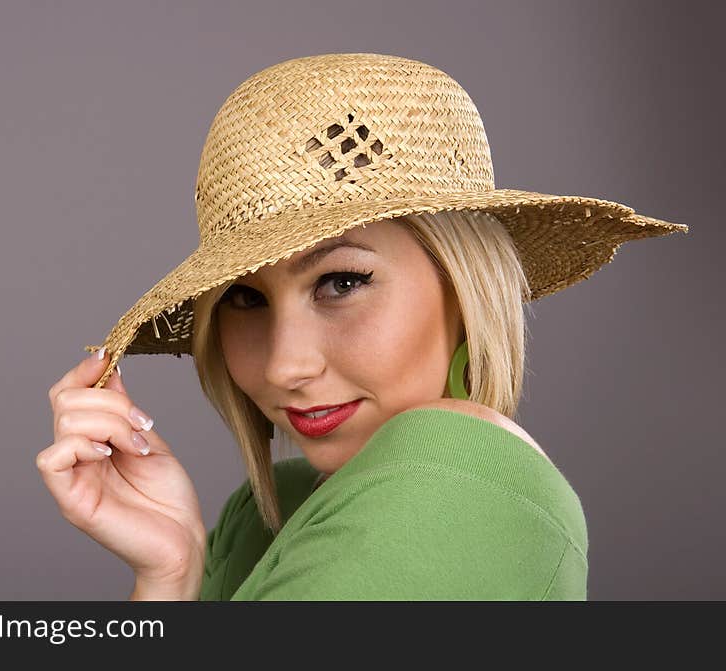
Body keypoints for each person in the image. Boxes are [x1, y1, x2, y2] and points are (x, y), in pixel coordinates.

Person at [37, 53, 688, 600]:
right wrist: (171, 573)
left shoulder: (458, 490)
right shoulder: (260, 516)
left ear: (463, 286)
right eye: (245, 299)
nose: (284, 366)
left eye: (341, 282)